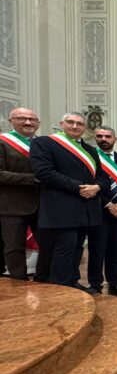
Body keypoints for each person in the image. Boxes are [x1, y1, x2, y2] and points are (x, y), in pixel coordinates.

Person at [30, 112, 107, 293]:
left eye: (79, 124)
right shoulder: (44, 143)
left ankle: (72, 281)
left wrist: (97, 187)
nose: (75, 126)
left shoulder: (90, 150)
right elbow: (44, 172)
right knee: (64, 247)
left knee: (77, 247)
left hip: (86, 208)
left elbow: (102, 176)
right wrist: (80, 188)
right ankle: (61, 286)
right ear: (61, 124)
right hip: (61, 207)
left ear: (85, 128)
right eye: (70, 122)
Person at [0, 108, 49, 282]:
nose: (27, 122)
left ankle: (44, 280)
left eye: (32, 119)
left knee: (48, 245)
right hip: (12, 206)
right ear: (10, 120)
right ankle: (18, 283)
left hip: (44, 205)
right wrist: (32, 179)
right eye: (22, 118)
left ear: (38, 123)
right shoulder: (3, 141)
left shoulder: (44, 143)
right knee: (14, 247)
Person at [86, 126, 117, 296]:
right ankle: (95, 284)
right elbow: (91, 185)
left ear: (115, 139)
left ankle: (115, 283)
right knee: (97, 250)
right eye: (100, 136)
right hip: (100, 210)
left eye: (108, 136)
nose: (104, 139)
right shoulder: (90, 157)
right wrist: (109, 204)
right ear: (95, 138)